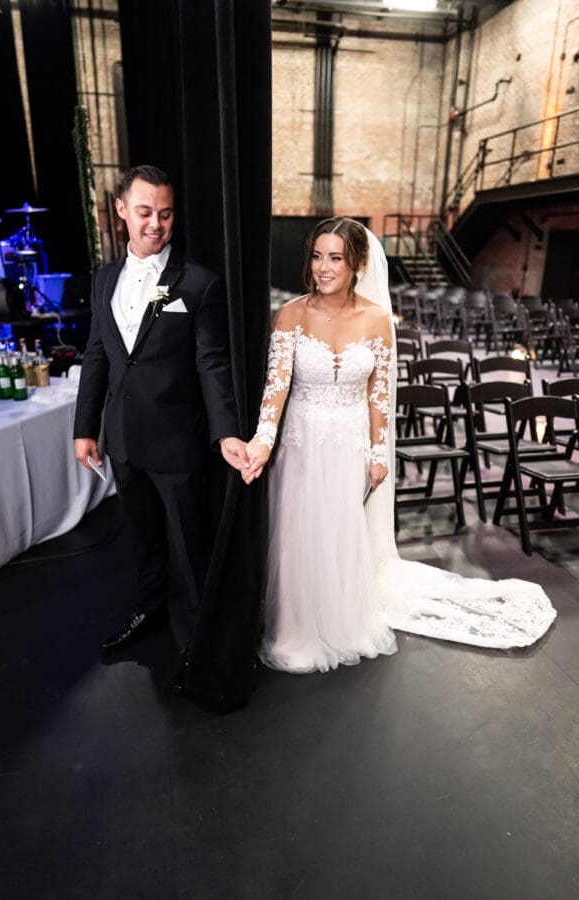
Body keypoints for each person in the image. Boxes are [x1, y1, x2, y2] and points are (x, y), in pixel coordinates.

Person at [243, 216, 556, 674]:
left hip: (350, 442)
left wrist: (377, 453)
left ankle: (343, 622)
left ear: (357, 264)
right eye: (317, 256)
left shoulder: (376, 320)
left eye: (336, 258)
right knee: (297, 531)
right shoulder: (290, 315)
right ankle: (294, 628)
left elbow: (379, 396)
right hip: (302, 440)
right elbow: (275, 391)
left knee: (340, 531)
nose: (324, 268)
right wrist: (262, 444)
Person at [74, 164, 248, 689]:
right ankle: (149, 615)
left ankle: (197, 644)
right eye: (145, 212)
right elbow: (98, 355)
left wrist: (226, 432)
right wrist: (86, 427)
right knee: (145, 543)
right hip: (123, 440)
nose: (156, 224)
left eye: (166, 214)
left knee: (187, 552)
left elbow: (212, 363)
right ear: (122, 209)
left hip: (177, 444)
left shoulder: (198, 283)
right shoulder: (104, 278)